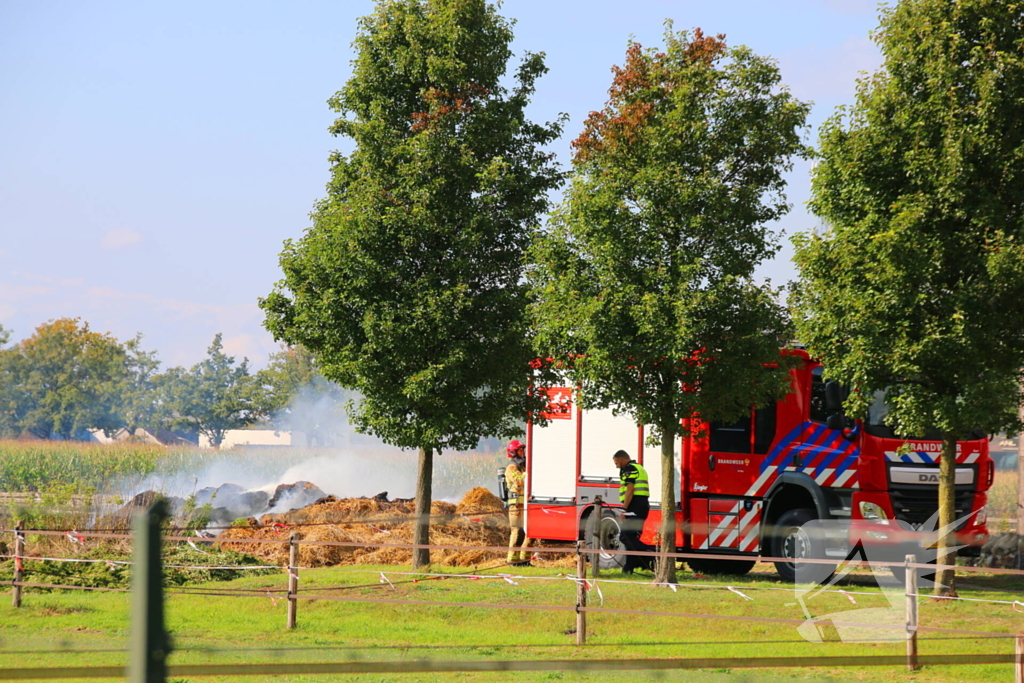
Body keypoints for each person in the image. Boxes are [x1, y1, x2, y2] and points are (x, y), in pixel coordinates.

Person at [612, 449, 652, 574]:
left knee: (625, 536)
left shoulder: (629, 469)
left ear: (622, 459)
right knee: (631, 539)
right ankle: (629, 568)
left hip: (635, 506)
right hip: (641, 505)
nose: (617, 466)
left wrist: (624, 509)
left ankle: (651, 552)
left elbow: (630, 489)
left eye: (617, 463)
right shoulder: (639, 467)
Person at [505, 439, 533, 567]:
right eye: (520, 450)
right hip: (516, 507)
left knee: (530, 533)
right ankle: (512, 560)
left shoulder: (523, 466)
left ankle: (525, 560)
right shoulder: (512, 467)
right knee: (517, 532)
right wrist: (530, 473)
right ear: (513, 452)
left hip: (526, 506)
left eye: (523, 450)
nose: (523, 452)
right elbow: (519, 480)